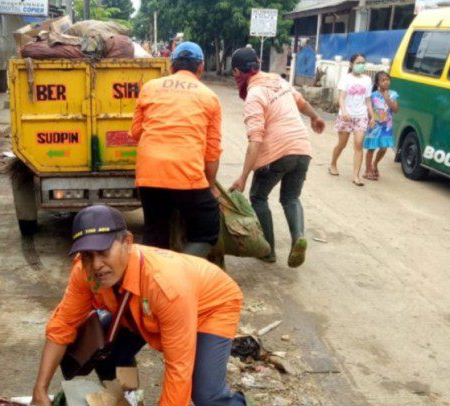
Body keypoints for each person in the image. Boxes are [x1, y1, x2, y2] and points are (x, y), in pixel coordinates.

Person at [31, 205, 247, 406]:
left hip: (211, 307)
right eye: (87, 255)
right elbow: (62, 326)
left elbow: (178, 366)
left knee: (206, 394)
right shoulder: (85, 272)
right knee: (106, 353)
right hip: (141, 308)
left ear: (127, 243)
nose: (96, 265)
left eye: (103, 251)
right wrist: (40, 388)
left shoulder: (165, 285)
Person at [229, 47, 325, 268]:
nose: (235, 79)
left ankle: (268, 251)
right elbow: (301, 103)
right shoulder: (278, 81)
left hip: (277, 154)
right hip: (302, 149)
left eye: (235, 74)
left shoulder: (255, 94)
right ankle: (298, 236)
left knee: (258, 196)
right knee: (291, 198)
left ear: (237, 71)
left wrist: (243, 176)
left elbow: (256, 140)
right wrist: (316, 117)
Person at [131, 41, 222, 258]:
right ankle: (181, 267)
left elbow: (136, 132)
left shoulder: (150, 87)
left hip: (149, 174)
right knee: (207, 229)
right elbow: (211, 151)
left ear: (171, 67)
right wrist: (210, 187)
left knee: (154, 233)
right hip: (187, 175)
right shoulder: (210, 97)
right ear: (200, 68)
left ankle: (149, 280)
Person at [329, 53, 375, 186]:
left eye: (363, 62)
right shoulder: (346, 79)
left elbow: (367, 99)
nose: (361, 65)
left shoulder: (367, 80)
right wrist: (343, 111)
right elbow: (341, 97)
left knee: (359, 144)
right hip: (346, 116)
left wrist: (371, 115)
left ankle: (356, 176)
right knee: (342, 144)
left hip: (361, 116)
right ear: (351, 64)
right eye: (359, 62)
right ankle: (333, 164)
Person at [363, 71, 399, 180]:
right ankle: (367, 170)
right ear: (377, 83)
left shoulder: (393, 94)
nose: (386, 82)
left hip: (386, 127)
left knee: (383, 148)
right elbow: (368, 109)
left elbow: (396, 109)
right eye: (383, 80)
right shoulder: (373, 95)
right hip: (374, 126)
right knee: (371, 148)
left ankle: (375, 164)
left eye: (387, 79)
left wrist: (388, 98)